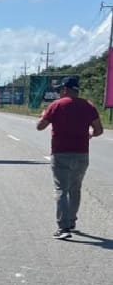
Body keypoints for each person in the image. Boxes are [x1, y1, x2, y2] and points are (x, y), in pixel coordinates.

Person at [36, 76, 103, 239]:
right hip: (81, 154)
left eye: (60, 89)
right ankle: (71, 221)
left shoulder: (57, 105)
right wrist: (90, 135)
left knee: (61, 189)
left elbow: (40, 127)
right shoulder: (88, 106)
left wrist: (44, 114)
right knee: (75, 189)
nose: (59, 92)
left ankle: (63, 228)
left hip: (61, 153)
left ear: (66, 89)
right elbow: (99, 130)